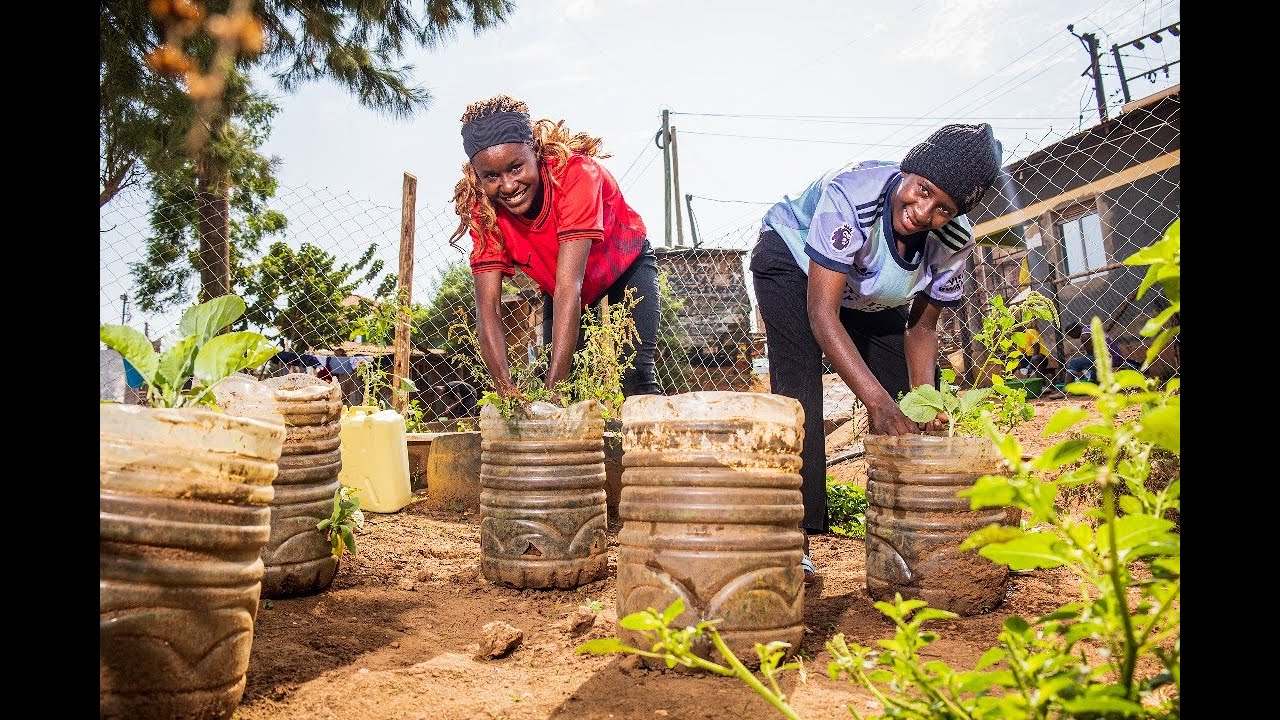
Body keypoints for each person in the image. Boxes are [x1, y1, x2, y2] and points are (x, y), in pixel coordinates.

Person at [749, 123, 1004, 583]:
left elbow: (922, 329)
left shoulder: (954, 240)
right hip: (794, 266)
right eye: (921, 190)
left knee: (906, 404)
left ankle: (905, 534)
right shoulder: (853, 196)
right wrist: (877, 403)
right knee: (799, 397)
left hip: (869, 291)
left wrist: (925, 403)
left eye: (943, 208)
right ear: (908, 171)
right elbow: (822, 317)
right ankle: (792, 541)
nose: (924, 211)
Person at [449, 94, 662, 400]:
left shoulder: (575, 175)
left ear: (535, 151)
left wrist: (552, 394)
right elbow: (489, 306)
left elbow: (569, 288)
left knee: (636, 375)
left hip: (623, 265)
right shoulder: (483, 208)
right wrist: (505, 390)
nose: (507, 186)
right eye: (491, 176)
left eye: (516, 168)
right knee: (566, 381)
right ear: (477, 175)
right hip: (562, 286)